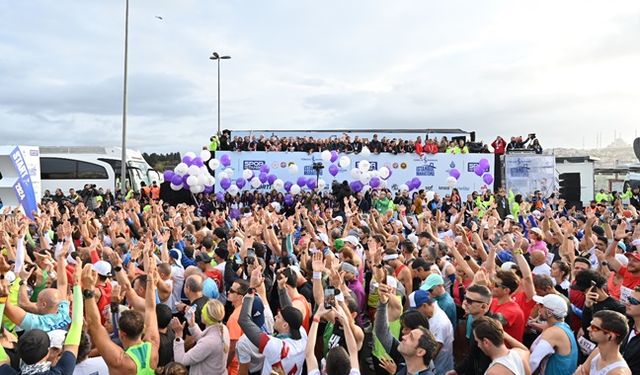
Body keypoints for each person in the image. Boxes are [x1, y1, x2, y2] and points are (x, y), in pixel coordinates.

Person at [0, 257, 83, 375]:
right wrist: (77, 282)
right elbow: (77, 324)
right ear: (49, 352)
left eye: (37, 301)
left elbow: (13, 307)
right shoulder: (63, 310)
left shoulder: (36, 322)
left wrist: (15, 281)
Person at [83, 248, 160, 375]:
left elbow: (94, 325)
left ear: (122, 334)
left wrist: (87, 289)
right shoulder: (153, 345)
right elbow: (151, 309)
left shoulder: (120, 361)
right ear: (142, 329)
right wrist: (151, 279)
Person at [238, 290, 307, 375]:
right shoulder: (303, 336)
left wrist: (248, 297)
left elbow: (244, 321)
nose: (275, 317)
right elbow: (292, 314)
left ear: (285, 325)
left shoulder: (277, 347)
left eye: (278, 317)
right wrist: (282, 290)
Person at [171, 299, 229, 375]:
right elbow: (205, 341)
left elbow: (181, 361)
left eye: (202, 312)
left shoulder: (209, 342)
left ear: (206, 317)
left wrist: (178, 335)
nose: (201, 313)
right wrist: (192, 324)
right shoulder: (223, 328)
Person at [529, 294, 578, 375]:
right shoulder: (564, 327)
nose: (538, 308)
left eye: (541, 306)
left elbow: (533, 361)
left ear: (549, 313)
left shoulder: (553, 332)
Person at [408, 290, 454, 374]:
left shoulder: (440, 323)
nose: (415, 313)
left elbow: (433, 353)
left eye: (416, 310)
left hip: (440, 369)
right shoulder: (430, 314)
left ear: (424, 306)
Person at [575, 310, 631, 375]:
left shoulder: (618, 372)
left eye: (594, 328)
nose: (588, 328)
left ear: (610, 336)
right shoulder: (597, 352)